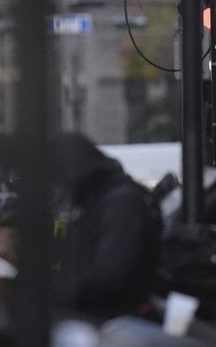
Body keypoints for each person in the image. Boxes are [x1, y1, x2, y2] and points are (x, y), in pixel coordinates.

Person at [49, 133, 160, 321]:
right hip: (94, 313)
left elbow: (107, 277)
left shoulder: (122, 203)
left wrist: (52, 290)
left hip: (114, 317)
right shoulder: (94, 202)